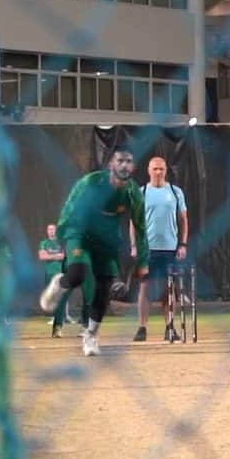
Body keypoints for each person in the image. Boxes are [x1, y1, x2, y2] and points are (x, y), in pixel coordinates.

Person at [39, 148, 147, 357]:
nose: (125, 165)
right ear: (111, 165)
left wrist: (143, 260)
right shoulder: (91, 183)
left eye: (129, 161)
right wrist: (62, 234)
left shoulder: (133, 193)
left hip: (106, 241)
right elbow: (70, 205)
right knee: (78, 272)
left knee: (103, 290)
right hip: (79, 233)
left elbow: (141, 227)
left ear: (133, 166)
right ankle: (59, 284)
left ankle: (90, 335)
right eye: (120, 161)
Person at [134, 156, 190, 343]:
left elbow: (183, 220)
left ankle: (170, 326)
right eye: (155, 169)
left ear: (166, 171)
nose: (158, 172)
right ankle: (142, 327)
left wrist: (182, 244)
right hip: (147, 249)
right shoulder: (141, 193)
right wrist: (134, 245)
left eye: (162, 169)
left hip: (169, 249)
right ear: (149, 170)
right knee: (145, 288)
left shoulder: (175, 192)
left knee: (169, 290)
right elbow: (133, 222)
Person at [37, 223, 69, 337]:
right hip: (49, 275)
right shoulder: (44, 243)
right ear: (47, 231)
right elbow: (42, 256)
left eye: (53, 229)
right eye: (49, 229)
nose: (51, 231)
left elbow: (64, 256)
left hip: (60, 275)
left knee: (60, 301)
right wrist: (56, 256)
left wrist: (51, 255)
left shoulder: (61, 243)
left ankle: (57, 327)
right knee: (52, 301)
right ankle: (57, 318)